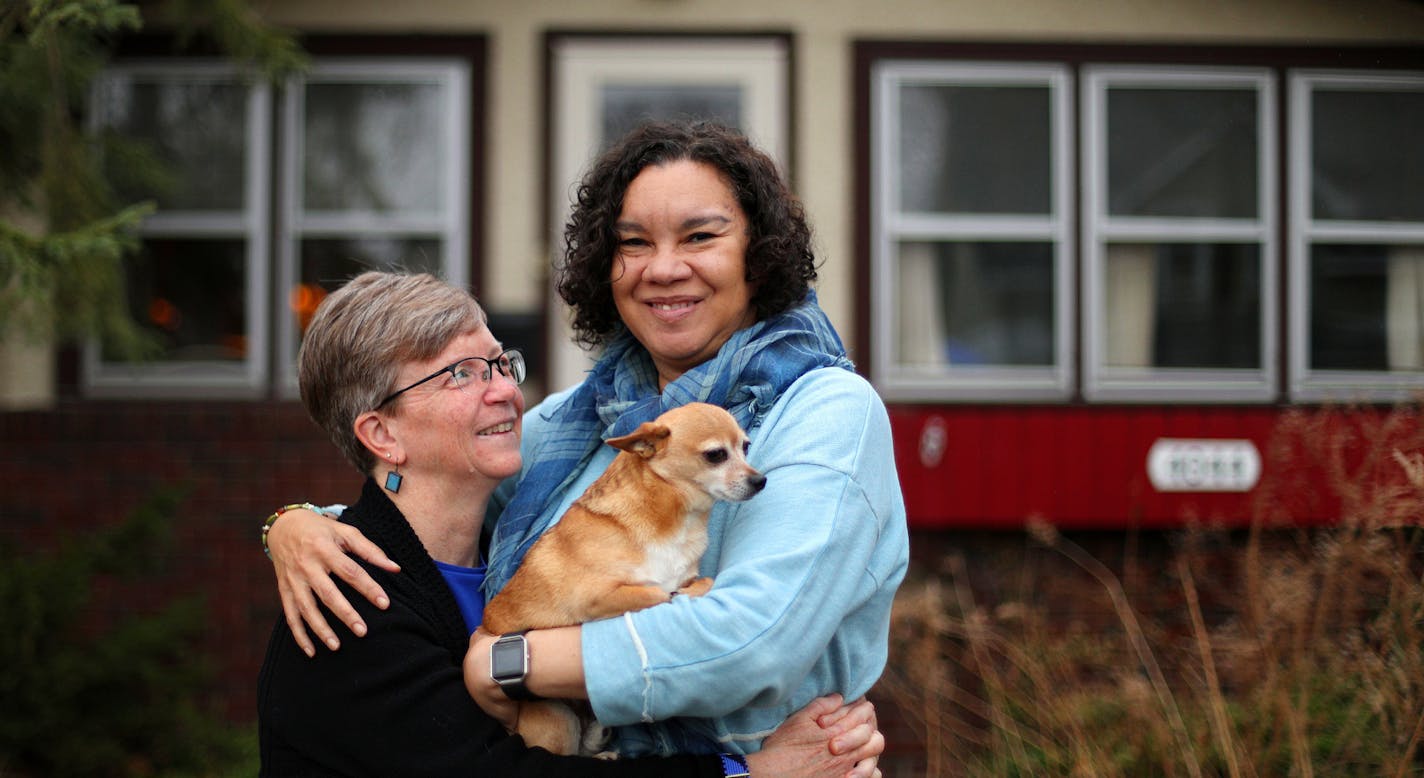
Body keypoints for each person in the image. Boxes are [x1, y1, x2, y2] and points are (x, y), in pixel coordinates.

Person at [265, 120, 910, 758]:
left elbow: (752, 642)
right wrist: (296, 525)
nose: (662, 268)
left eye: (700, 236)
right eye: (633, 242)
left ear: (758, 252)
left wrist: (508, 661)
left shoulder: (825, 414)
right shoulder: (574, 427)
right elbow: (423, 507)